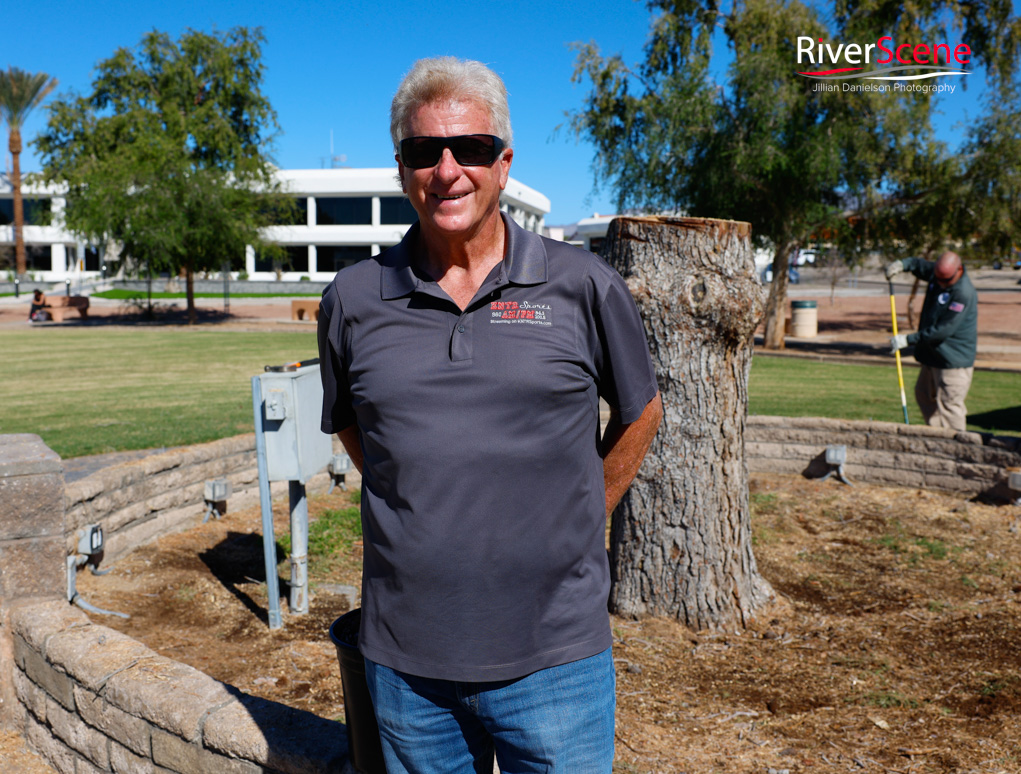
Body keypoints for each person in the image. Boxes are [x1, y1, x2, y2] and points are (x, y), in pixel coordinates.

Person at [318, 57, 663, 773]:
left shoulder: (583, 285)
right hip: (406, 665)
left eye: (470, 148)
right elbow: (353, 424)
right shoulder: (351, 298)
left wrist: (584, 511)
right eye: (424, 151)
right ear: (402, 168)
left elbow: (641, 412)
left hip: (557, 659)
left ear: (503, 164)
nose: (447, 171)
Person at [886, 251, 977, 431]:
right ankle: (936, 437)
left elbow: (943, 330)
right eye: (938, 279)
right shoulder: (939, 274)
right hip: (933, 356)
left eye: (946, 280)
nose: (941, 283)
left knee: (949, 406)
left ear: (959, 270)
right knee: (924, 395)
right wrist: (902, 264)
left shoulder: (962, 293)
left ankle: (957, 445)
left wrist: (908, 339)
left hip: (952, 361)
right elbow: (918, 265)